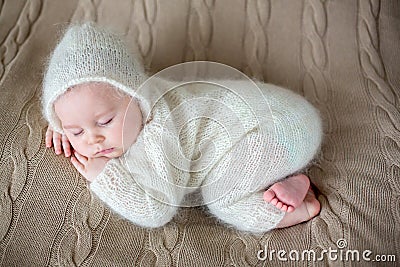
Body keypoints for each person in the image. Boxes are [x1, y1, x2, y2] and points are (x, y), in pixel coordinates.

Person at [42, 22, 322, 234]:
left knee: (224, 201)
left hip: (278, 127)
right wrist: (62, 127)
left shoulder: (157, 131)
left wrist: (105, 177)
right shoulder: (128, 108)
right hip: (274, 120)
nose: (93, 139)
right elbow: (82, 106)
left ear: (137, 96)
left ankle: (304, 203)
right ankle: (280, 179)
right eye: (75, 131)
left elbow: (156, 211)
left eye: (104, 122)